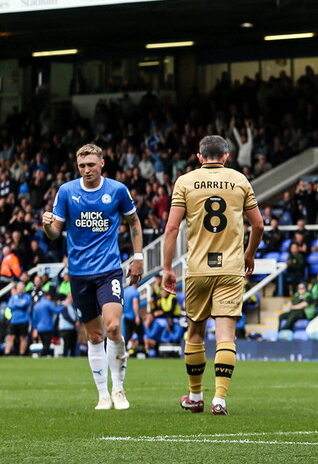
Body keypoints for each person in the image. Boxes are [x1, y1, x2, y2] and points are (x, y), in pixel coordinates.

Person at [162, 135, 264, 416]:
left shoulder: (185, 181)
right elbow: (259, 225)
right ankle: (220, 399)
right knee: (226, 335)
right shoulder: (239, 180)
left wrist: (167, 268)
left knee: (195, 333)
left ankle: (195, 396)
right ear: (226, 157)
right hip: (231, 268)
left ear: (199, 157)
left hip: (198, 269)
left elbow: (171, 229)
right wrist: (249, 253)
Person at [42, 143, 144, 410]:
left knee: (112, 327)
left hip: (109, 269)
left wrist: (138, 257)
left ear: (101, 164)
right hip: (78, 273)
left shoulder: (117, 190)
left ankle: (119, 389)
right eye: (82, 166)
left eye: (91, 165)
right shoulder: (66, 192)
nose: (86, 170)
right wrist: (46, 226)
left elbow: (134, 222)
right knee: (95, 336)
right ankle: (103, 394)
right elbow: (55, 233)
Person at [31, 289, 63, 356]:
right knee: (47, 344)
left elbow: (34, 318)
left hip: (39, 328)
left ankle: (44, 356)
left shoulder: (37, 305)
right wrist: (63, 305)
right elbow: (56, 310)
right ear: (48, 296)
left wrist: (35, 328)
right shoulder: (48, 303)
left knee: (44, 344)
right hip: (47, 327)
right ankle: (42, 356)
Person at [4, 282, 31, 356]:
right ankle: (7, 353)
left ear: (24, 289)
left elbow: (24, 304)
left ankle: (22, 353)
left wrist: (16, 305)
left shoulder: (27, 296)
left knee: (23, 337)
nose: (20, 290)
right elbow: (10, 306)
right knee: (10, 337)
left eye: (21, 288)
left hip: (24, 320)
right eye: (19, 288)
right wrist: (18, 305)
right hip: (14, 320)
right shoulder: (13, 297)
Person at [121, 279, 143, 354]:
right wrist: (137, 316)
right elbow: (135, 304)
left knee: (127, 334)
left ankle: (123, 350)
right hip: (133, 316)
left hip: (126, 316)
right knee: (140, 333)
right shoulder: (135, 292)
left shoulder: (125, 291)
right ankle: (141, 350)